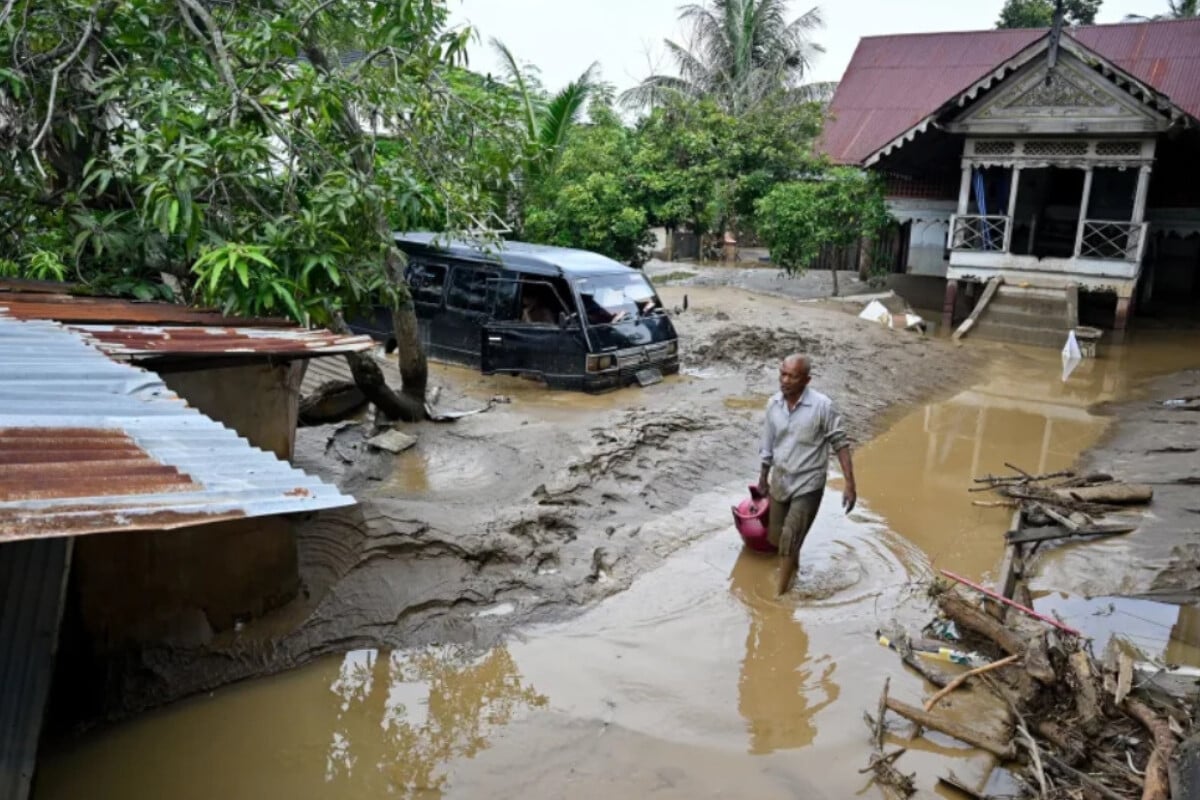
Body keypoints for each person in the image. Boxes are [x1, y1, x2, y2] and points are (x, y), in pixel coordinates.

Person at [757, 354, 857, 597]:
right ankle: (794, 573)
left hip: (808, 483)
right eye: (783, 373)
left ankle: (779, 597)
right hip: (780, 480)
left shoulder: (822, 406)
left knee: (789, 539)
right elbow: (768, 444)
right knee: (777, 539)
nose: (785, 380)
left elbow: (840, 444)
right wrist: (763, 477)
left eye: (793, 376)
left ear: (806, 380)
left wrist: (850, 484)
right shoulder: (774, 405)